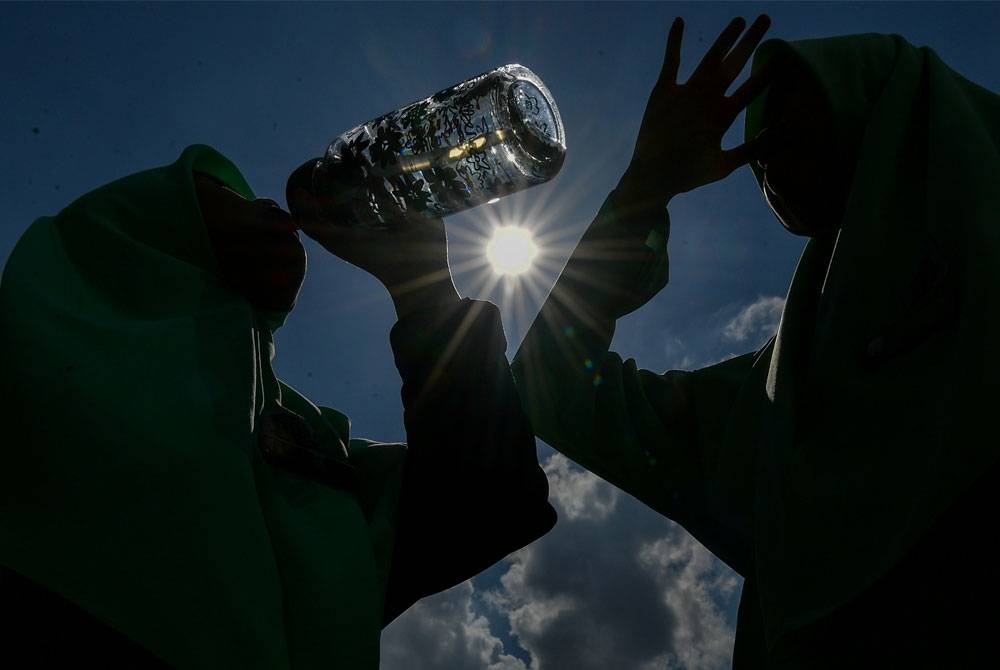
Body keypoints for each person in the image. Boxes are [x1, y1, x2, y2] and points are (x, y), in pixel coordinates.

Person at [512, 15, 1000, 668]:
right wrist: (644, 187)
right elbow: (554, 384)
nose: (761, 148)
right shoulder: (770, 408)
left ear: (895, 116)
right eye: (760, 134)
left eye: (794, 110)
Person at [0, 144, 556, 668]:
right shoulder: (20, 357)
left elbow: (489, 503)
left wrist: (421, 285)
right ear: (136, 232)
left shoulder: (302, 446)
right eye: (223, 194)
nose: (265, 203)